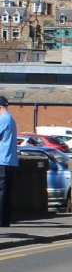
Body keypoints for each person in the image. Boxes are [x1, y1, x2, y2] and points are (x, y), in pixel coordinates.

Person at [0, 95, 19, 227]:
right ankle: (5, 219)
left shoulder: (3, 119)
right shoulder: (10, 119)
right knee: (6, 192)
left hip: (2, 159)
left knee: (2, 191)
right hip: (10, 160)